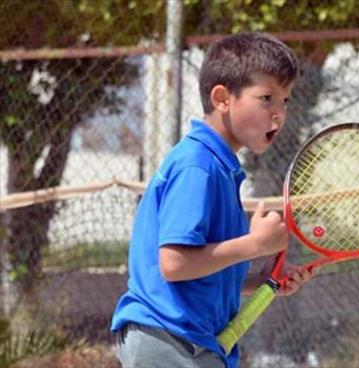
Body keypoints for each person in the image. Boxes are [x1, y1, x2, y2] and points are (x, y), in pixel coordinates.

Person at [111, 32, 314, 368]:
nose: (279, 113)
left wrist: (265, 282)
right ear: (222, 98)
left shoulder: (219, 168)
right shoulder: (198, 166)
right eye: (266, 98)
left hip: (190, 342)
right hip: (167, 340)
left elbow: (203, 275)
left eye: (286, 100)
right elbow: (174, 265)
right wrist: (255, 244)